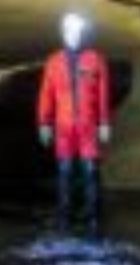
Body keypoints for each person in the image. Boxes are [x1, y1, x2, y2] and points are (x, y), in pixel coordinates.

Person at [36, 12, 112, 230]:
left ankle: (93, 220)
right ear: (63, 32)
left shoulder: (96, 59)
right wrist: (44, 123)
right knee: (65, 171)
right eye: (70, 31)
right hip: (63, 127)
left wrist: (104, 123)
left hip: (88, 125)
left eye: (78, 31)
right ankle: (64, 218)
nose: (74, 35)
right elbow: (46, 94)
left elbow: (103, 93)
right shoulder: (53, 62)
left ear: (83, 33)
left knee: (90, 171)